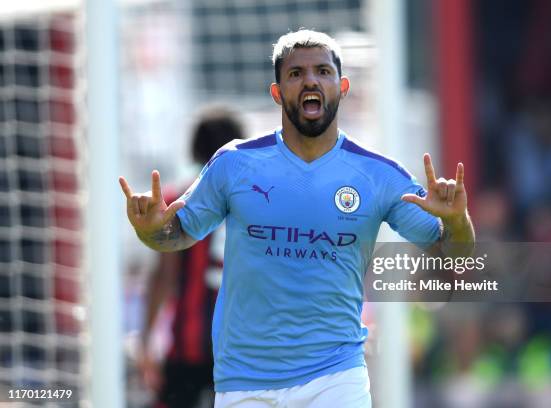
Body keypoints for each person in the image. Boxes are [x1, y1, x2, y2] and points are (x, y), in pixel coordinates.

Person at [119, 30, 475, 407]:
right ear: (277, 92)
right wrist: (151, 230)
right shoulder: (234, 164)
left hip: (336, 377)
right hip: (245, 380)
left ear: (342, 86)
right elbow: (175, 237)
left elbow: (457, 258)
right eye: (296, 74)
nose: (310, 80)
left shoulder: (379, 175)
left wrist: (456, 221)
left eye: (323, 71)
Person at [137, 107, 245, 408]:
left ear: (195, 148)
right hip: (241, 351)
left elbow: (164, 276)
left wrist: (146, 339)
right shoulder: (256, 204)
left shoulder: (176, 202)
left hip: (188, 348)